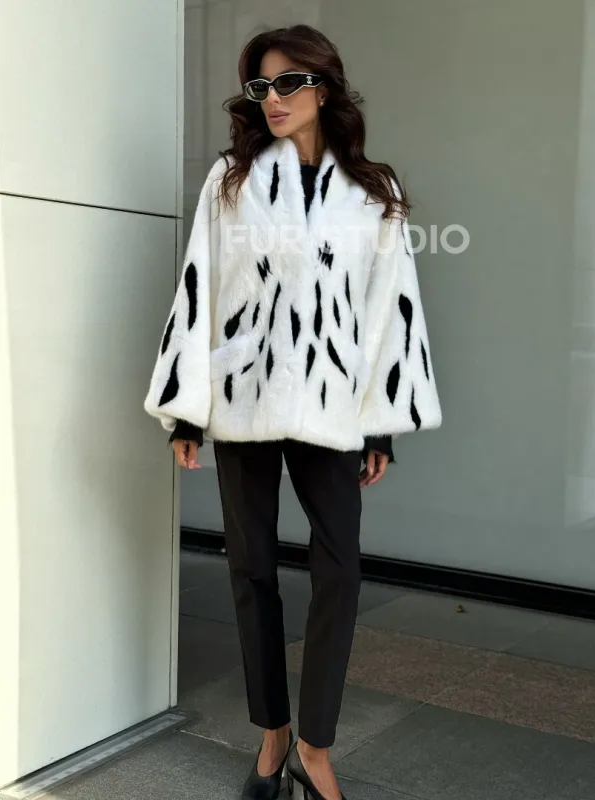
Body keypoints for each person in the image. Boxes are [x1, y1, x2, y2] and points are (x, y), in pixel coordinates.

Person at [144, 23, 442, 800]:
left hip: (332, 402)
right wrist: (187, 409)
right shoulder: (233, 180)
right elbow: (201, 288)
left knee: (339, 569)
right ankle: (272, 735)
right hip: (242, 395)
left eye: (286, 83)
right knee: (251, 568)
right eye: (260, 87)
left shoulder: (372, 189)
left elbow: (391, 306)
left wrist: (381, 421)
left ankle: (315, 746)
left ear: (322, 86)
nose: (270, 99)